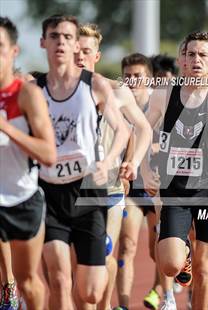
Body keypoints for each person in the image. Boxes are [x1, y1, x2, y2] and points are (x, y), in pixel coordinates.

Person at [141, 31, 208, 309]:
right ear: (181, 59)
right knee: (170, 265)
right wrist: (145, 169)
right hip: (175, 191)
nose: (195, 60)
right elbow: (141, 131)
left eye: (202, 55)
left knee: (205, 271)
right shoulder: (165, 94)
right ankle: (182, 252)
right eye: (190, 54)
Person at [36, 14, 129, 309]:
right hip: (49, 192)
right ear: (43, 43)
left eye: (67, 37)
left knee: (89, 291)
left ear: (77, 44)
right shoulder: (33, 89)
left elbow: (123, 130)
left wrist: (109, 160)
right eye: (54, 36)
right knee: (60, 279)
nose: (60, 42)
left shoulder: (95, 85)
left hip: (89, 192)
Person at [74, 24, 152, 310]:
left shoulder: (117, 91)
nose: (79, 56)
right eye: (76, 50)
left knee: (105, 253)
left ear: (97, 55)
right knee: (76, 264)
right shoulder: (56, 91)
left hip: (109, 188)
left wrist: (133, 161)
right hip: (70, 189)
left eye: (86, 51)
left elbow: (143, 130)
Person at [0, 16, 57, 310]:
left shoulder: (26, 95)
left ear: (13, 52)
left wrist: (6, 127)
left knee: (28, 282)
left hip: (21, 199)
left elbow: (48, 153)